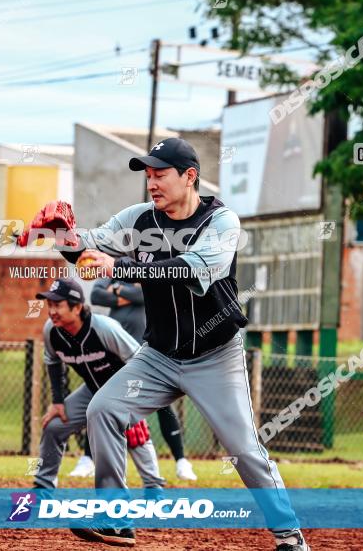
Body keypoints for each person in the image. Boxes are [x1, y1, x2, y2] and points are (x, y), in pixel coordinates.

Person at [21, 138, 308, 550]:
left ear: (190, 176)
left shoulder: (222, 222)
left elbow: (194, 268)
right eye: (148, 175)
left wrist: (119, 264)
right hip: (157, 356)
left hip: (215, 357)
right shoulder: (138, 219)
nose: (152, 183)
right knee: (103, 409)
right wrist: (64, 237)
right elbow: (91, 252)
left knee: (244, 449)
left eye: (160, 174)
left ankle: (290, 538)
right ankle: (114, 517)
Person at [31, 277, 166, 498]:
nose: (52, 311)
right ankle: (43, 487)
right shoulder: (51, 331)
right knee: (54, 426)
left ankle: (153, 488)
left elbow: (139, 361)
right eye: (50, 305)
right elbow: (52, 362)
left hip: (121, 389)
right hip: (92, 390)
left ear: (76, 307)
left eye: (58, 305)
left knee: (134, 431)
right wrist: (57, 402)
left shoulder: (104, 327)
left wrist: (133, 402)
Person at [67, 277, 196, 481]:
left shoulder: (148, 272)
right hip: (113, 353)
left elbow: (145, 294)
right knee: (100, 402)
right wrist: (128, 291)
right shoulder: (113, 273)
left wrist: (117, 292)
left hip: (145, 352)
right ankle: (88, 460)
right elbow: (96, 295)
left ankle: (181, 461)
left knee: (163, 406)